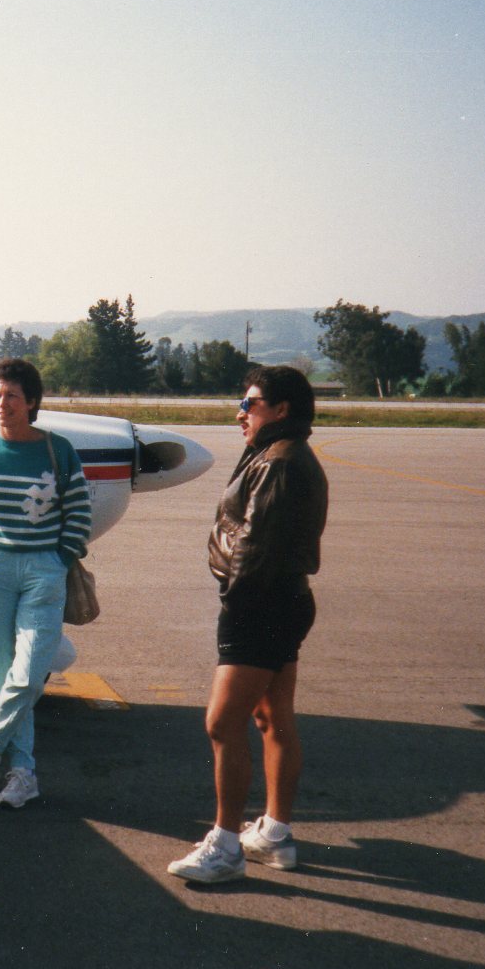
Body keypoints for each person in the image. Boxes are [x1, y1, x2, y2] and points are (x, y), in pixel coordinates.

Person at [168, 365, 328, 884]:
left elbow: (255, 547)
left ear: (281, 410)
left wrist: (234, 606)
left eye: (251, 403)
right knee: (271, 717)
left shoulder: (279, 462)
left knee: (222, 723)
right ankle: (275, 835)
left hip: (258, 603)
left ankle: (226, 845)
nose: (241, 412)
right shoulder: (280, 453)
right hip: (283, 600)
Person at [0, 358, 92, 809]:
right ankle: (23, 772)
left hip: (43, 572)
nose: (1, 403)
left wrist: (59, 557)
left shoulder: (58, 450)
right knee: (0, 671)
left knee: (29, 672)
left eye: (11, 396)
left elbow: (79, 512)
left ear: (31, 402)